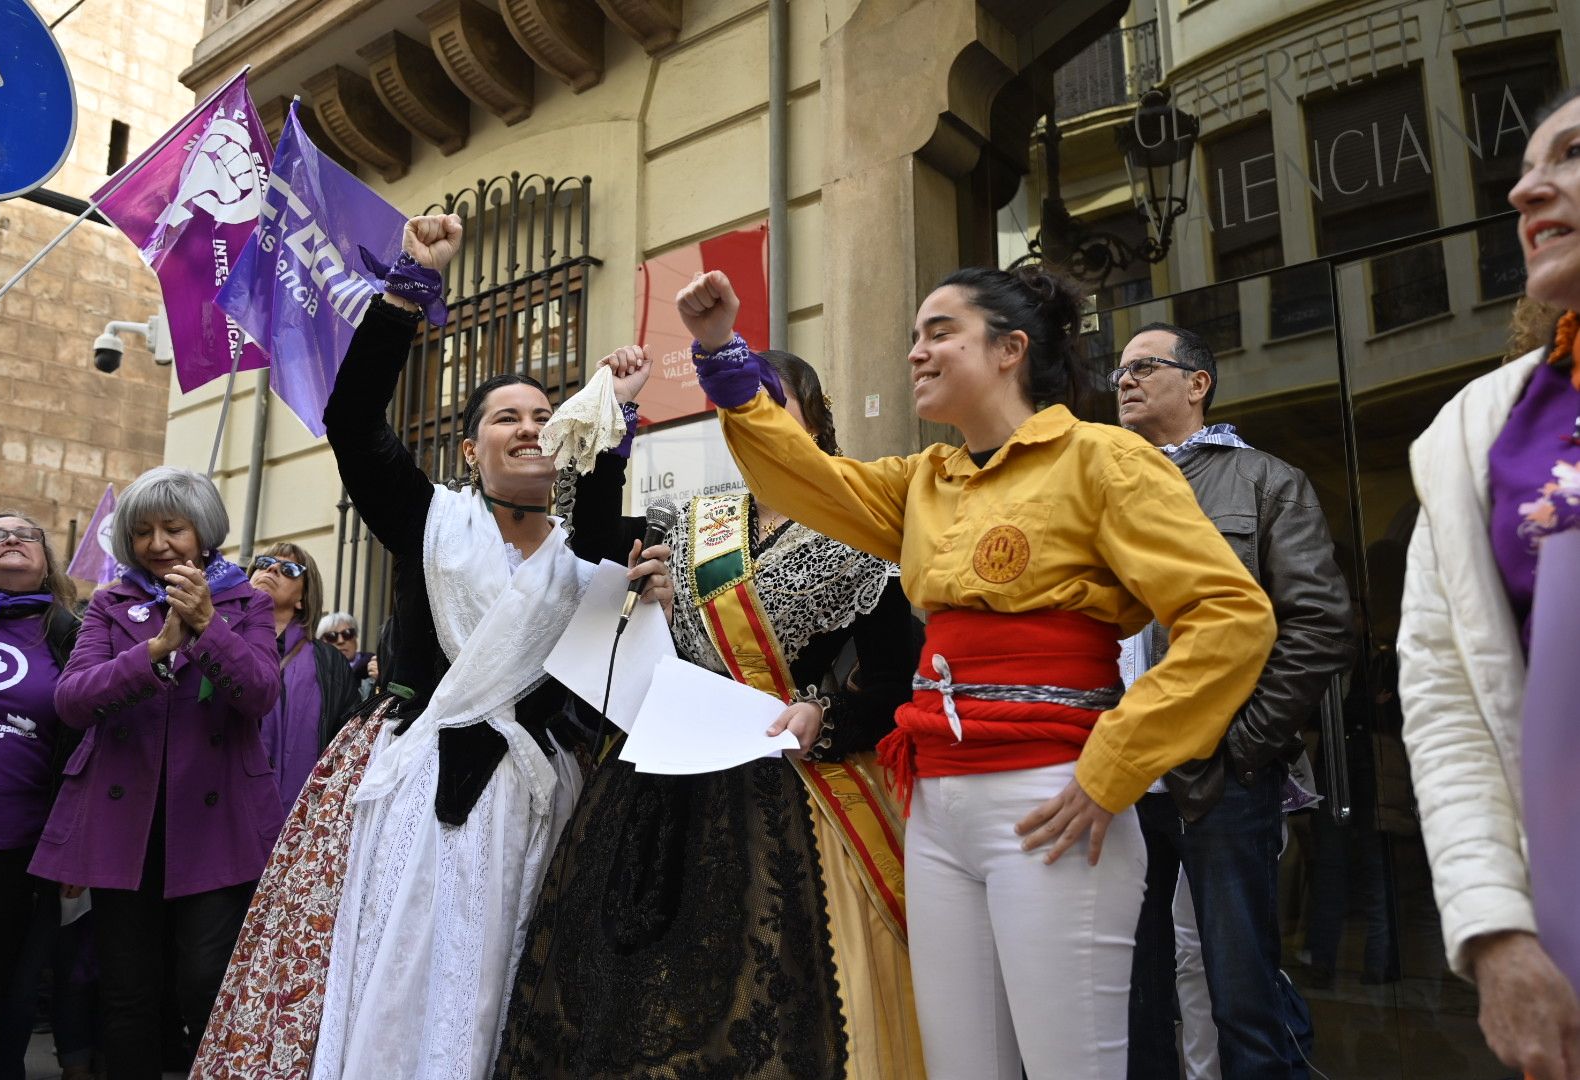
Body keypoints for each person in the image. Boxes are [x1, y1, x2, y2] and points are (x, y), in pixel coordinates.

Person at [673, 264, 1276, 1078]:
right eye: (914, 336)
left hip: (1055, 796)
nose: (917, 352)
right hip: (936, 805)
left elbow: (1229, 616)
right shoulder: (927, 480)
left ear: (1009, 350)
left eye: (940, 331)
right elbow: (807, 478)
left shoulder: (1107, 461)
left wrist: (1115, 766)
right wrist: (722, 354)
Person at [191, 213, 671, 1080]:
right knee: (411, 984)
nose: (529, 428)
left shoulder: (590, 550)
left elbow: (602, 539)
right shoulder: (428, 521)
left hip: (539, 802)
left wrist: (614, 416)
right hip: (427, 800)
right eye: (506, 419)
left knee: (515, 998)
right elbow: (351, 418)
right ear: (467, 448)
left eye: (544, 416)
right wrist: (410, 285)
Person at [500, 348, 927, 1078]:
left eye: (774, 400)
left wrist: (825, 714)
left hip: (790, 788)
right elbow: (593, 532)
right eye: (744, 402)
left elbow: (896, 675)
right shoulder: (696, 518)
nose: (756, 416)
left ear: (813, 420)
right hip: (665, 779)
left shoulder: (860, 528)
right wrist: (619, 409)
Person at [1112, 322, 1354, 1078]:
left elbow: (1318, 625)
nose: (1124, 380)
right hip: (1116, 781)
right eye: (1117, 369)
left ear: (1197, 383)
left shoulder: (1264, 481)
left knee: (1242, 990)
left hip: (1221, 776)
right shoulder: (1099, 483)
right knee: (1136, 993)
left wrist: (1243, 745)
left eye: (1144, 366)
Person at [1398, 85, 1580, 1080]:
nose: (1523, 189)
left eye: (1574, 153)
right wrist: (1495, 931)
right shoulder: (1470, 436)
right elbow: (1445, 699)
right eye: (1524, 165)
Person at [28, 467, 282, 1080]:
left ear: (204, 532)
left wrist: (208, 628)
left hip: (217, 823)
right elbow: (72, 699)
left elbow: (259, 694)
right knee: (127, 991)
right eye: (143, 532)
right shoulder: (110, 604)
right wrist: (155, 650)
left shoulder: (246, 600)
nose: (159, 543)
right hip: (125, 822)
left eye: (174, 527)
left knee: (203, 982)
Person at [0, 513, 81, 1079]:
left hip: (17, 846)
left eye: (29, 535)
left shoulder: (69, 633)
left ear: (47, 563)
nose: (12, 539)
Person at [248, 543, 357, 813]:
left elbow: (345, 746)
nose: (273, 568)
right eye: (264, 562)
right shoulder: (216, 640)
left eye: (289, 569)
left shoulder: (330, 664)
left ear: (302, 598)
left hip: (298, 817)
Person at [317, 610, 372, 692]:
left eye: (347, 633)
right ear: (321, 642)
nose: (340, 641)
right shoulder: (313, 671)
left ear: (355, 638)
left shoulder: (374, 668)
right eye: (331, 636)